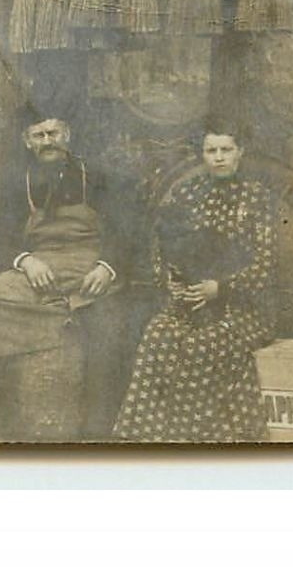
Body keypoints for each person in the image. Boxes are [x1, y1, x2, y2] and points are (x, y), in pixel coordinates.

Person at [0, 111, 131, 440]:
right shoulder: (17, 180)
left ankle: (94, 431)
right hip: (41, 267)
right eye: (39, 136)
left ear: (67, 136)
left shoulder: (96, 175)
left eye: (53, 133)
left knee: (101, 322)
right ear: (27, 142)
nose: (47, 142)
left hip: (89, 266)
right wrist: (26, 261)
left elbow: (126, 231)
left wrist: (107, 267)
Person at [114, 123, 278, 443]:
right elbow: (161, 249)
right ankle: (151, 438)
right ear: (202, 154)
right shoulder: (188, 193)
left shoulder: (257, 198)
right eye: (211, 150)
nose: (218, 158)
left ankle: (203, 438)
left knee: (205, 345)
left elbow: (266, 265)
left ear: (240, 152)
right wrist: (172, 282)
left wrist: (220, 288)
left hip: (241, 307)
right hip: (189, 300)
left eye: (226, 150)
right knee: (158, 334)